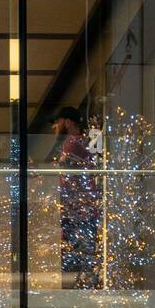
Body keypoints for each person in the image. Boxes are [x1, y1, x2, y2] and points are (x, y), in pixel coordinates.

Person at [51, 105, 101, 288]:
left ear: (68, 122)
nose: (54, 127)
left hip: (78, 213)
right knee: (78, 260)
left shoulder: (74, 142)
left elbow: (67, 171)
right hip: (78, 212)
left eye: (57, 122)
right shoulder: (77, 142)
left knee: (75, 262)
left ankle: (77, 293)